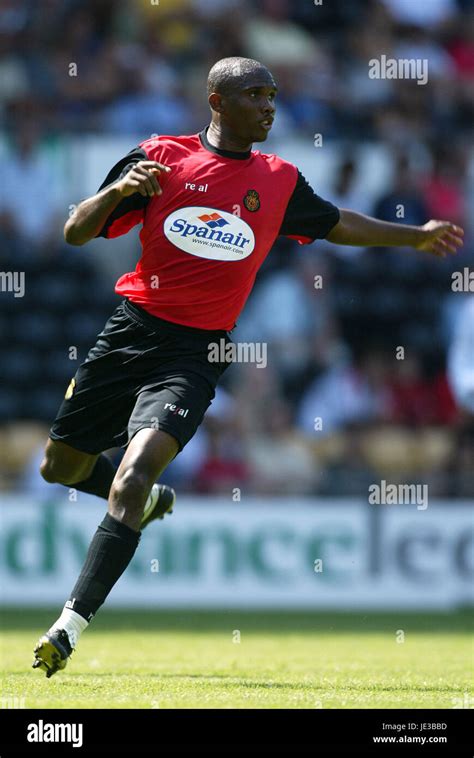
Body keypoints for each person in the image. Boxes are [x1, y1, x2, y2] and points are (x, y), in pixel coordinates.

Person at [33, 56, 464, 677]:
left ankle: (67, 628)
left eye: (273, 95)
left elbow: (337, 224)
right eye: (254, 95)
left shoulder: (279, 179)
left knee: (129, 478)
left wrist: (414, 235)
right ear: (216, 101)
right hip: (129, 334)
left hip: (196, 353)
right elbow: (76, 232)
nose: (268, 106)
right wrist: (121, 191)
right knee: (59, 466)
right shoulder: (161, 156)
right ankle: (146, 502)